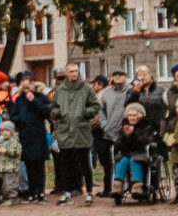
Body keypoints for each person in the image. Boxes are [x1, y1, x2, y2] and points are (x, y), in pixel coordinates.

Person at [50, 64, 97, 204]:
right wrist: (60, 114)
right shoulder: (60, 91)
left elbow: (95, 106)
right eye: (71, 71)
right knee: (66, 165)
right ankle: (67, 191)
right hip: (65, 132)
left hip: (81, 131)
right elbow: (53, 107)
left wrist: (83, 113)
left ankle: (89, 191)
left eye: (76, 71)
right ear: (66, 73)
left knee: (84, 163)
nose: (75, 73)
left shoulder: (86, 89)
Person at [9, 77, 52, 202]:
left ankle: (41, 191)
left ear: (33, 85)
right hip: (25, 136)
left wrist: (34, 101)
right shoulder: (19, 100)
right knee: (29, 165)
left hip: (38, 135)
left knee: (39, 165)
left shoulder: (41, 97)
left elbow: (46, 111)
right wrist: (20, 120)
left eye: (28, 87)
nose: (26, 90)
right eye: (24, 88)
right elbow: (13, 115)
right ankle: (32, 191)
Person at [94, 70, 129, 199]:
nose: (118, 77)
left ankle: (126, 185)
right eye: (115, 75)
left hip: (125, 133)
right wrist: (103, 123)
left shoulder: (130, 91)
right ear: (111, 78)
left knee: (123, 159)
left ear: (126, 77)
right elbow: (100, 110)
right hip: (108, 132)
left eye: (121, 75)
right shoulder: (106, 92)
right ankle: (109, 188)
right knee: (107, 162)